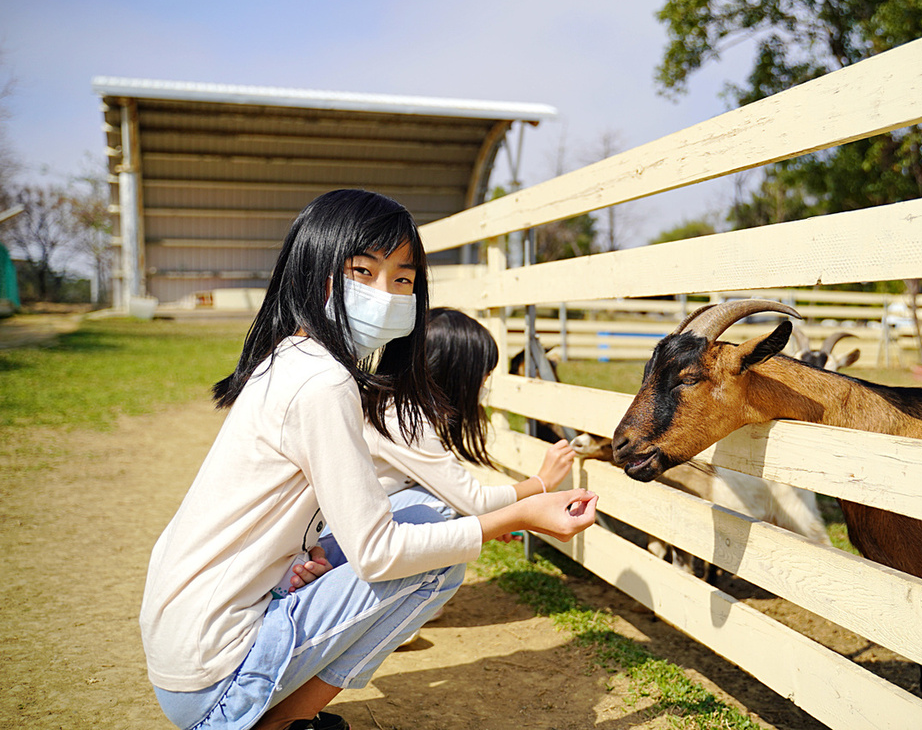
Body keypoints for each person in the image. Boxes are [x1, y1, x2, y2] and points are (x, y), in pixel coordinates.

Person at [140, 189, 597, 730]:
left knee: (424, 520)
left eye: (403, 279)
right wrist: (521, 513)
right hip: (213, 681)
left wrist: (293, 561)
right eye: (362, 271)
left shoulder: (289, 358)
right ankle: (271, 724)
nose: (387, 294)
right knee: (437, 560)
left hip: (186, 648)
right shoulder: (323, 381)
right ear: (314, 269)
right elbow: (379, 556)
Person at [305, 308, 576, 582]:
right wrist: (541, 483)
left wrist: (499, 513)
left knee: (446, 499)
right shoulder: (402, 420)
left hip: (338, 532)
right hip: (338, 541)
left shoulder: (390, 405)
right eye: (482, 373)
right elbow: (473, 502)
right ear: (455, 373)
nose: (484, 383)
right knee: (443, 508)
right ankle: (404, 590)